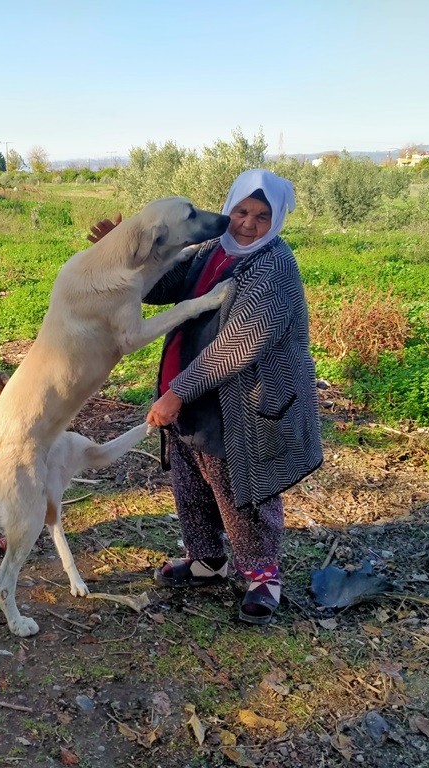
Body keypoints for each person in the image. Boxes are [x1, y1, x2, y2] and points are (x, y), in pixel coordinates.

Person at [88, 169, 322, 624]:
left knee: (240, 488)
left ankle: (263, 576)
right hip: (192, 389)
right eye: (241, 211)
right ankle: (206, 560)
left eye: (260, 215)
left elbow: (239, 343)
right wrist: (119, 251)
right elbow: (160, 284)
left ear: (276, 221)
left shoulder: (273, 266)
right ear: (229, 208)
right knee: (191, 480)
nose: (248, 224)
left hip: (244, 400)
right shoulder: (214, 250)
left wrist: (178, 392)